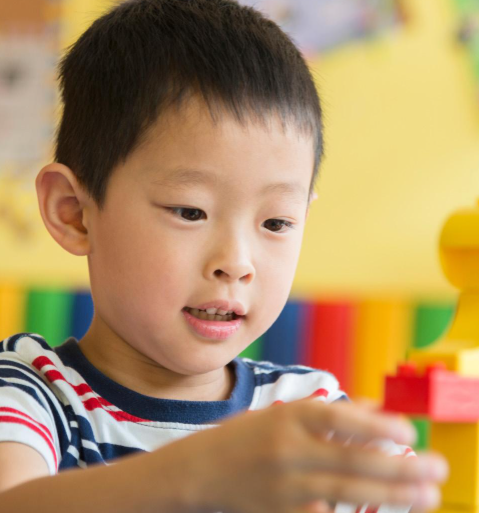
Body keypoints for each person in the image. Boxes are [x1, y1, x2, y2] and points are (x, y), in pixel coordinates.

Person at [0, 1, 448, 512]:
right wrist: (197, 475)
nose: (236, 262)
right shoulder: (29, 393)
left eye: (276, 223)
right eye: (190, 212)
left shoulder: (308, 415)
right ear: (74, 213)